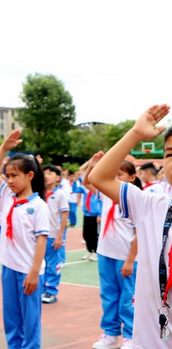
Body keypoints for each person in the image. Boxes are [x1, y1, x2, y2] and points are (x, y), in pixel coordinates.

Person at [88, 104, 172, 349]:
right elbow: (99, 178)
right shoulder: (152, 205)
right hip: (150, 340)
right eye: (169, 154)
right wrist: (134, 134)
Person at [0, 130, 49, 349]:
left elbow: (42, 241)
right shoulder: (6, 195)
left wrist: (33, 272)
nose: (9, 180)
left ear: (30, 175)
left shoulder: (38, 206)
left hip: (29, 271)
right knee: (11, 318)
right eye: (8, 176)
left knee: (30, 320)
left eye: (15, 176)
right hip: (9, 267)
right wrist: (4, 147)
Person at [84, 153, 139, 349]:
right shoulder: (107, 194)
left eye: (120, 174)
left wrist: (130, 260)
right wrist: (92, 165)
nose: (115, 179)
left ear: (132, 177)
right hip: (105, 253)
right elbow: (86, 182)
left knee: (127, 299)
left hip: (126, 258)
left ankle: (131, 336)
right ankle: (110, 333)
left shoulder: (135, 200)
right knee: (108, 296)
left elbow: (139, 233)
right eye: (113, 175)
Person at [41, 165, 69, 304]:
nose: (46, 176)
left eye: (50, 173)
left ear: (58, 178)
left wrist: (60, 236)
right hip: (40, 235)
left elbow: (64, 215)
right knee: (40, 263)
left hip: (53, 235)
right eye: (45, 173)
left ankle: (51, 290)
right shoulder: (40, 192)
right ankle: (40, 289)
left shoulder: (60, 194)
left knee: (52, 264)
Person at [76, 161, 103, 261]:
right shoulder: (85, 187)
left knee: (94, 234)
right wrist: (90, 162)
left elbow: (102, 202)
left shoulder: (99, 188)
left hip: (95, 214)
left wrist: (100, 214)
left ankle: (95, 251)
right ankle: (89, 250)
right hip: (86, 213)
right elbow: (80, 170)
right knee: (86, 234)